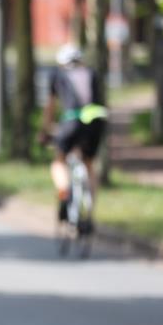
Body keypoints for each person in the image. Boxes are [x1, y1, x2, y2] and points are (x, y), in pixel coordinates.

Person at [38, 44, 108, 230]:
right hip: (95, 121)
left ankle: (65, 190)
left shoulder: (58, 75)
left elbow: (50, 106)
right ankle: (90, 213)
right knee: (89, 164)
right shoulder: (91, 73)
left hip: (71, 120)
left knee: (59, 161)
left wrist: (45, 129)